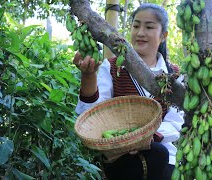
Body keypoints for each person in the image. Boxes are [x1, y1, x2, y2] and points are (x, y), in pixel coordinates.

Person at [73, 3, 184, 180]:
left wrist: (144, 138)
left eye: (149, 27)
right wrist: (88, 76)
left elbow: (175, 122)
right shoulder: (111, 67)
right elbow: (93, 115)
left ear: (163, 36)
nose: (140, 32)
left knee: (159, 153)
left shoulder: (174, 75)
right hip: (119, 153)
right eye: (136, 25)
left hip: (161, 153)